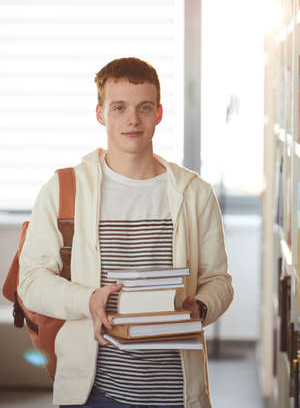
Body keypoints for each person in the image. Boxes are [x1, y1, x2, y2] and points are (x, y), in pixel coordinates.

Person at [18, 57, 234, 408]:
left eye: (144, 107)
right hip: (93, 393)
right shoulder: (64, 189)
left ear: (159, 113)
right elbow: (31, 281)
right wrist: (87, 300)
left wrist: (203, 307)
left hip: (175, 392)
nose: (132, 120)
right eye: (119, 107)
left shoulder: (194, 192)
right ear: (101, 113)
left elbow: (219, 281)